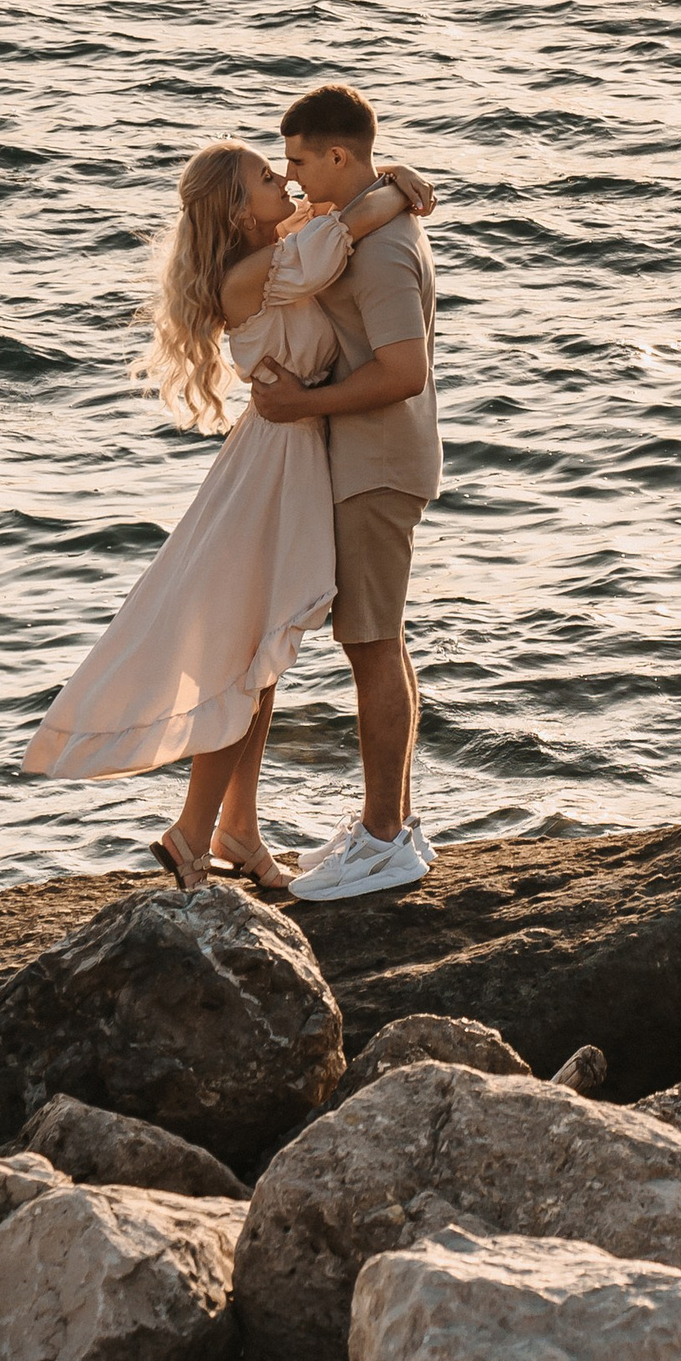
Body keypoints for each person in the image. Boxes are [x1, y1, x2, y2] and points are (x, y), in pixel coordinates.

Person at [20, 134, 432, 894]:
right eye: (268, 178)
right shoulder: (256, 273)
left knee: (263, 655)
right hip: (277, 463)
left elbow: (329, 217)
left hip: (287, 454)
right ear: (240, 213)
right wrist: (398, 190)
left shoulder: (270, 251)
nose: (286, 183)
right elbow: (340, 232)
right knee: (250, 655)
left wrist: (389, 180)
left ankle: (234, 828)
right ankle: (192, 830)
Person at [247, 80, 442, 903]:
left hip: (377, 462)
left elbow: (404, 371)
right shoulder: (359, 220)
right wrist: (392, 179)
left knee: (370, 643)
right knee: (379, 640)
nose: (289, 178)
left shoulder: (387, 246)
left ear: (337, 155)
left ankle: (387, 838)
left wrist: (300, 404)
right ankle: (389, 822)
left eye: (298, 161)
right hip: (364, 459)